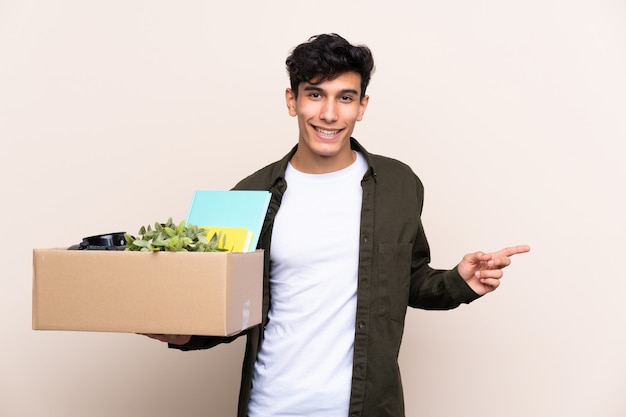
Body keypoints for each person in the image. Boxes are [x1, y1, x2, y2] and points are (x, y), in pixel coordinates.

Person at [146, 33, 530, 417]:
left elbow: (406, 279)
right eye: (315, 94)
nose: (329, 114)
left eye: (345, 97)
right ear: (291, 100)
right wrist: (182, 333)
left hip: (367, 408)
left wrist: (458, 282)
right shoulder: (248, 194)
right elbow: (223, 304)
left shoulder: (399, 184)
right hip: (271, 407)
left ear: (362, 106)